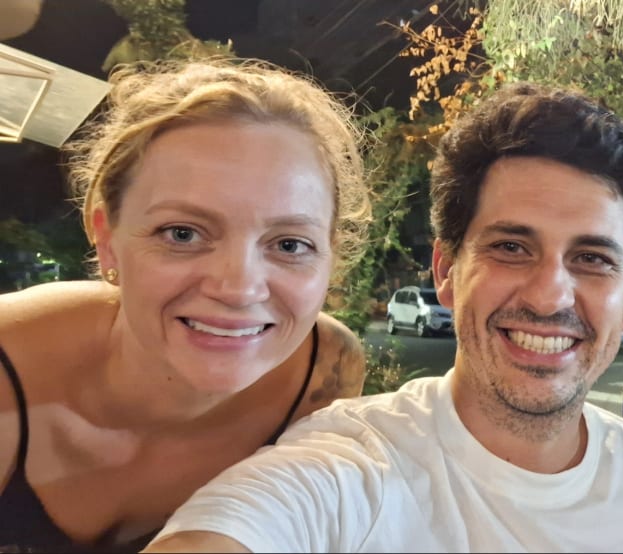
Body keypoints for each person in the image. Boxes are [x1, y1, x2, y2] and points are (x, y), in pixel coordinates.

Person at [143, 82, 623, 553]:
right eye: (510, 247)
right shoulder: (354, 469)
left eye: (592, 259)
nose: (552, 296)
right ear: (447, 272)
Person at [0, 58, 370, 552]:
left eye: (289, 244)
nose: (238, 289)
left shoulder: (325, 370)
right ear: (107, 239)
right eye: (182, 233)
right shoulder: (8, 373)